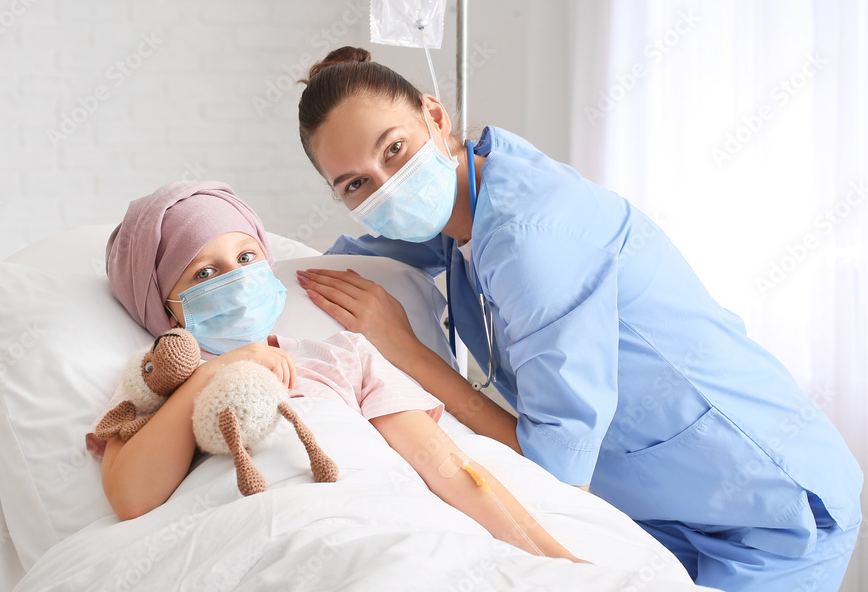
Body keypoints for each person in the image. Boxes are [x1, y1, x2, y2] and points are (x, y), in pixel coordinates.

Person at [293, 46, 863, 591]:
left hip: (773, 512)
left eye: (393, 150)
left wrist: (407, 352)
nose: (387, 187)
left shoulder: (531, 238)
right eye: (356, 184)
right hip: (665, 507)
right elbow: (338, 265)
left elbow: (554, 470)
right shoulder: (465, 203)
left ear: (434, 116)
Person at [85, 180, 585, 563]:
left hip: (368, 529)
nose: (237, 279)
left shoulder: (345, 356)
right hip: (251, 543)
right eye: (205, 274)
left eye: (246, 257)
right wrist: (214, 375)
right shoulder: (159, 382)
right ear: (169, 310)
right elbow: (132, 497)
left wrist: (554, 557)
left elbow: (444, 465)